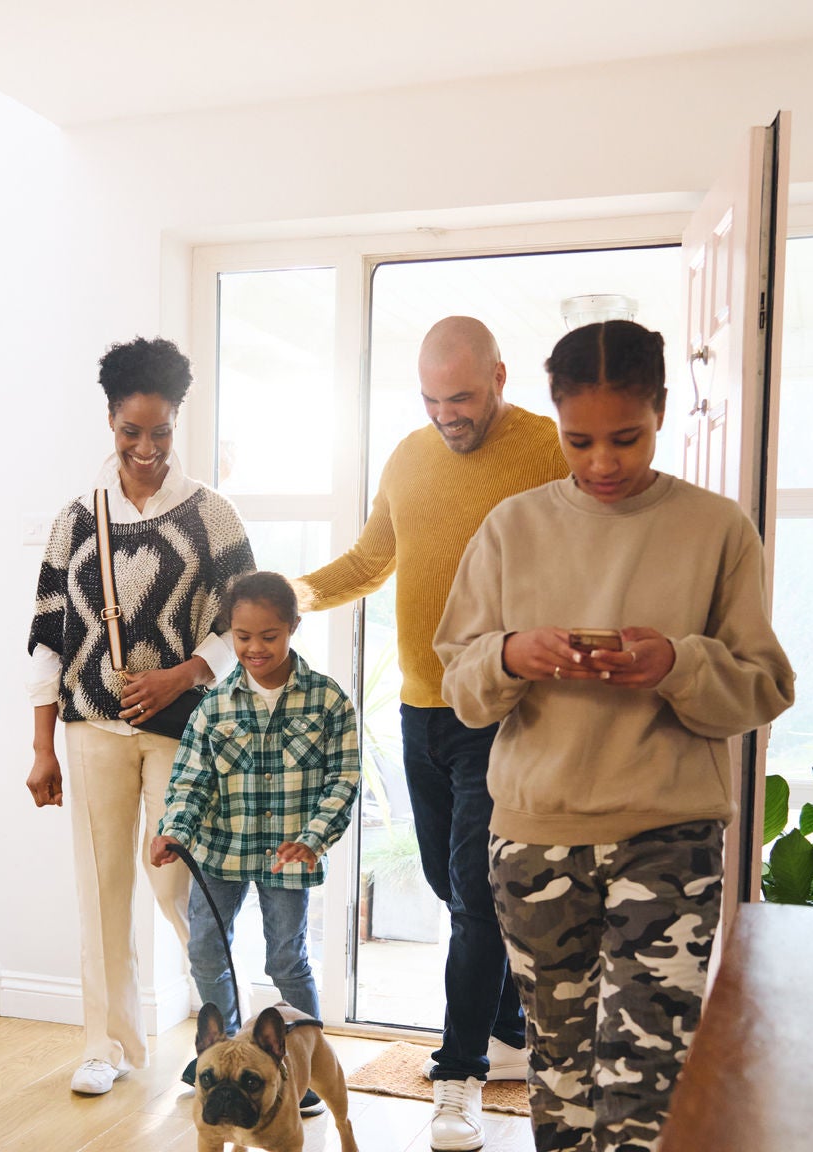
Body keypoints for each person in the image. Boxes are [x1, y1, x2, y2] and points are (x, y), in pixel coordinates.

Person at [435, 319, 795, 1152]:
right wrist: (511, 655)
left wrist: (678, 662)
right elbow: (460, 688)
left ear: (662, 412)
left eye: (625, 439)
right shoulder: (509, 528)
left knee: (645, 1089)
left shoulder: (718, 530)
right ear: (554, 420)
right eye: (579, 440)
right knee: (559, 1082)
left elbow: (766, 685)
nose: (601, 463)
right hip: (533, 844)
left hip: (668, 838)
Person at [296, 316, 569, 1150]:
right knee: (454, 888)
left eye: (462, 397)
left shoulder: (548, 450)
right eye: (431, 398)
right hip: (420, 709)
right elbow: (371, 558)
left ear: (499, 377)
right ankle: (514, 1036)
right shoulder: (409, 456)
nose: (447, 414)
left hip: (502, 710)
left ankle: (459, 1081)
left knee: (477, 899)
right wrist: (285, 595)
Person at [26, 335, 257, 1096]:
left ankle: (229, 1040)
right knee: (100, 891)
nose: (148, 448)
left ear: (177, 419)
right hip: (90, 728)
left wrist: (181, 675)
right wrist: (42, 748)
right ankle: (108, 1045)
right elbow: (48, 637)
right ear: (110, 421)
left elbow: (246, 623)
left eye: (161, 431)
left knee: (177, 887)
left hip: (179, 729)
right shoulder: (75, 520)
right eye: (132, 432)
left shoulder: (211, 516)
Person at [150, 570, 360, 1113]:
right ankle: (223, 1060)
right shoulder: (214, 705)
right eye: (243, 637)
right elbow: (190, 780)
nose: (255, 648)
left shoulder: (328, 701)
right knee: (204, 948)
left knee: (287, 959)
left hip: (289, 855)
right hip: (220, 850)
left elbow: (344, 778)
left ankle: (303, 1070)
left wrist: (314, 839)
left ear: (294, 626)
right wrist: (175, 830)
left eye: (269, 636)